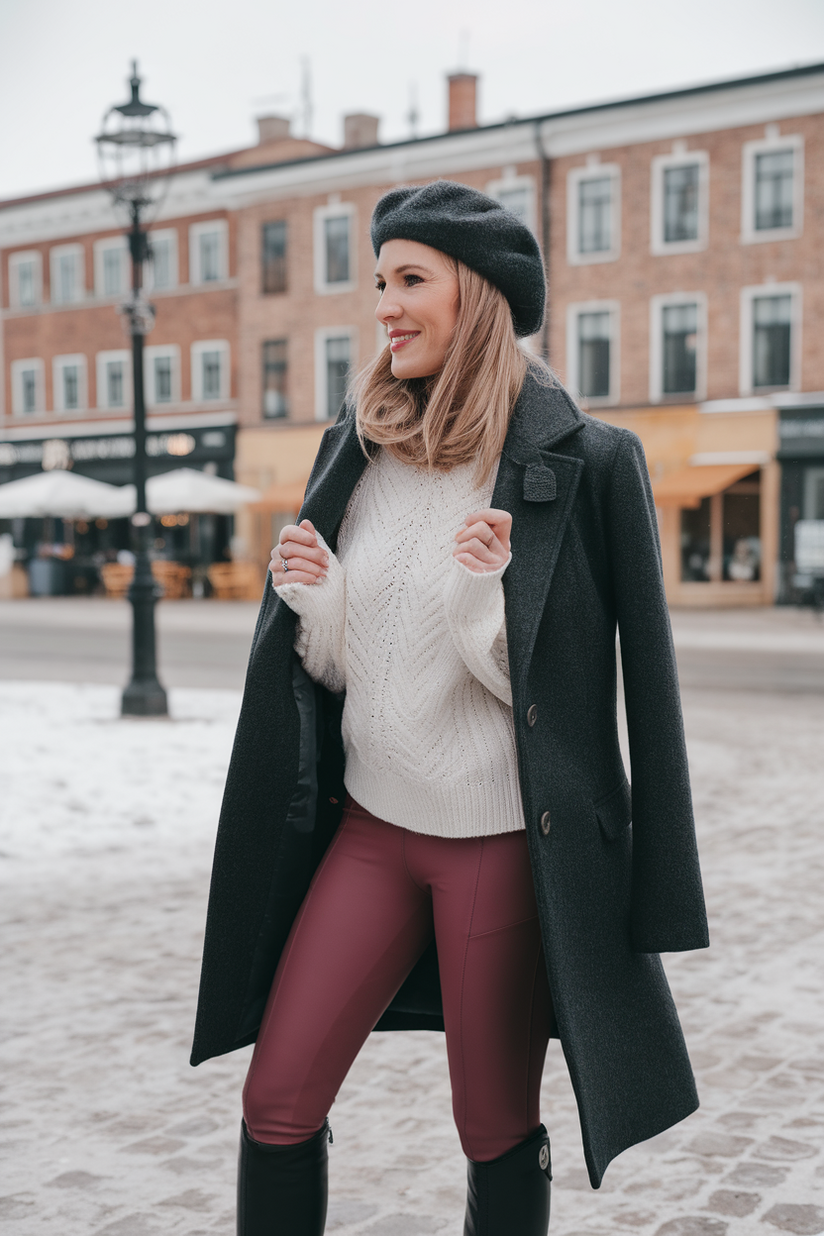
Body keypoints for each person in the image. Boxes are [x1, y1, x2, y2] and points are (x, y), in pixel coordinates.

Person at [191, 181, 709, 1236]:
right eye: (378, 281)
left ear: (475, 295)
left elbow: (600, 702)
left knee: (491, 1125)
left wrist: (483, 601)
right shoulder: (361, 445)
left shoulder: (587, 463)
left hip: (498, 848)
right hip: (370, 834)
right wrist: (319, 606)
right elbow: (348, 671)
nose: (383, 304)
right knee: (276, 1101)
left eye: (409, 280)